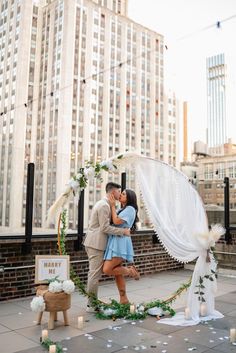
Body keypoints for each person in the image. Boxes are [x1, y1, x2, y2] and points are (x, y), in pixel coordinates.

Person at [83, 182, 131, 312]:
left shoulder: (107, 204)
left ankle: (92, 303)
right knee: (94, 275)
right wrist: (123, 232)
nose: (120, 194)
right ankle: (91, 305)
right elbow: (105, 227)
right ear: (112, 192)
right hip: (96, 244)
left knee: (95, 274)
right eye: (118, 192)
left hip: (96, 243)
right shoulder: (104, 205)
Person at [103, 189, 140, 304]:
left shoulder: (130, 209)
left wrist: (112, 206)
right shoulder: (122, 209)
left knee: (107, 269)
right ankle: (123, 299)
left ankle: (130, 271)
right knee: (117, 272)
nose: (121, 195)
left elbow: (116, 221)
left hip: (120, 242)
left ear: (129, 198)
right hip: (116, 240)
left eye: (123, 194)